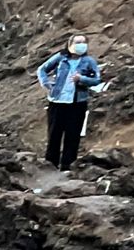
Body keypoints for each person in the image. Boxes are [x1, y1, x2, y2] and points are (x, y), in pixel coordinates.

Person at [37, 32, 103, 172]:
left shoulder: (89, 61)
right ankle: (50, 165)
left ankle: (68, 167)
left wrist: (82, 79)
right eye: (77, 42)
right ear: (70, 44)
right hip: (57, 101)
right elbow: (42, 69)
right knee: (54, 134)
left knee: (73, 135)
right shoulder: (61, 58)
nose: (80, 45)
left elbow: (97, 80)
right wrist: (46, 83)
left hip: (77, 102)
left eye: (83, 42)